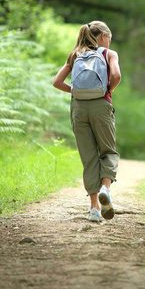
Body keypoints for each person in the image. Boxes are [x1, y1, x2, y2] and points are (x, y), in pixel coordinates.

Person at [53, 21, 121, 223]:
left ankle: (93, 210)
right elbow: (116, 75)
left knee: (89, 157)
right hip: (101, 105)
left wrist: (75, 91)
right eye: (109, 38)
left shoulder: (75, 54)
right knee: (108, 151)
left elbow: (57, 82)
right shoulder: (108, 54)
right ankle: (105, 189)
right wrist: (107, 90)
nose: (109, 42)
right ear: (103, 37)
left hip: (79, 108)